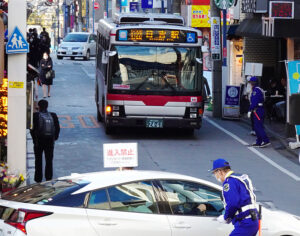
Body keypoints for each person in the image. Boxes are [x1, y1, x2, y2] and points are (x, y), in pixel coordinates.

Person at [211, 159, 259, 236]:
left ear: (220, 171)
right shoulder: (239, 178)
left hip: (245, 223)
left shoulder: (229, 182)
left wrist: (225, 217)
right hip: (252, 220)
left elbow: (233, 203)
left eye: (214, 173)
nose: (215, 176)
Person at [30, 99, 60, 183]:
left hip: (38, 142)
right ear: (47, 106)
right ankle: (48, 178)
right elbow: (57, 128)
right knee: (49, 160)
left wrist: (34, 139)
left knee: (38, 160)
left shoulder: (35, 115)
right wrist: (54, 138)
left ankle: (38, 179)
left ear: (38, 107)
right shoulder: (53, 115)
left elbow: (32, 129)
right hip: (50, 141)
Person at [247, 76, 270, 147]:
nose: (250, 84)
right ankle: (259, 141)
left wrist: (250, 109)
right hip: (257, 110)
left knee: (258, 126)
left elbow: (254, 102)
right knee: (256, 126)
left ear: (253, 83)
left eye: (251, 82)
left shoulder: (256, 91)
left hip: (258, 110)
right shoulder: (256, 90)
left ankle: (266, 140)